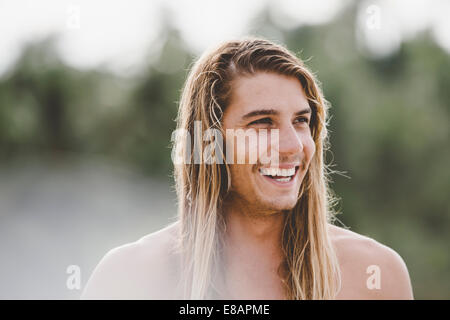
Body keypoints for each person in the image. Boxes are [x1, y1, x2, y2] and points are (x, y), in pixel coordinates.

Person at [81, 38, 414, 300]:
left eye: (301, 121)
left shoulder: (377, 274)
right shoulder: (127, 279)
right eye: (262, 123)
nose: (293, 146)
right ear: (210, 142)